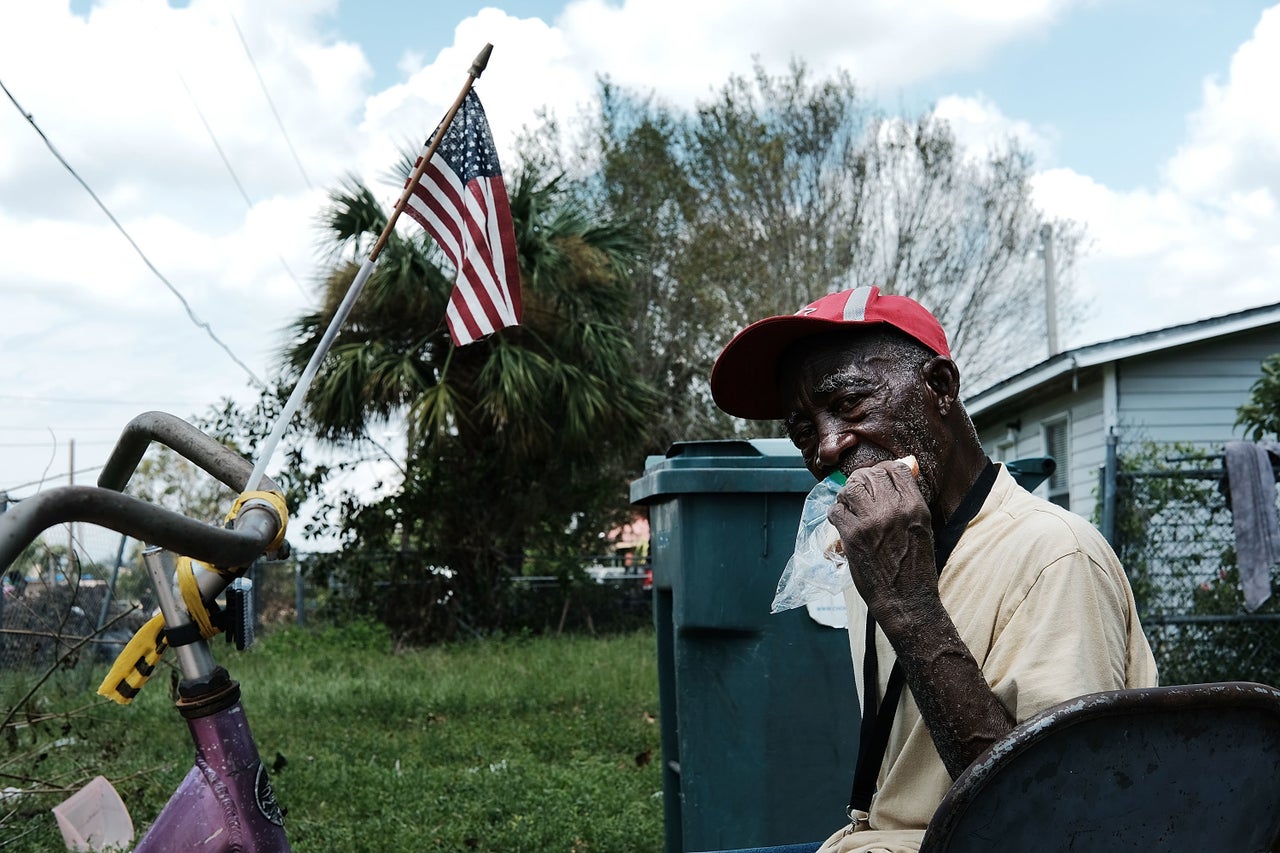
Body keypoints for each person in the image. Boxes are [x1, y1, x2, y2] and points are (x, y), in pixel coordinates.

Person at [707, 286, 1158, 853]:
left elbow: (1053, 822)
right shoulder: (878, 545)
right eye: (803, 431)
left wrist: (908, 606)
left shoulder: (1054, 554)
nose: (826, 448)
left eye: (849, 404)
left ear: (940, 388)